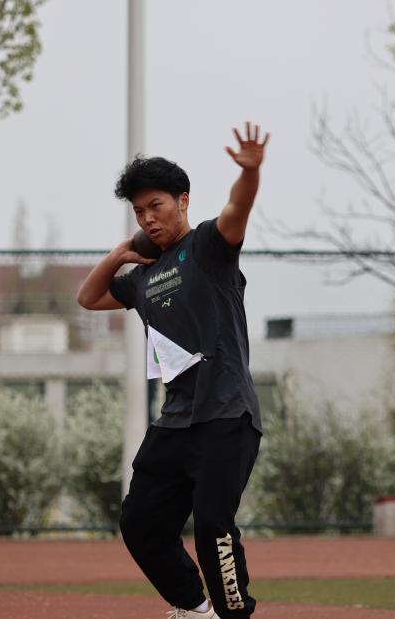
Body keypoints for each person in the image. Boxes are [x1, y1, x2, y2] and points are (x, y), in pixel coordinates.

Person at [77, 123, 270, 618]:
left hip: (226, 415)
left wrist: (250, 173)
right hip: (176, 421)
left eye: (156, 205)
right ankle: (194, 608)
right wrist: (118, 255)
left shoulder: (207, 247)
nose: (148, 217)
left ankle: (233, 614)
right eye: (139, 211)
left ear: (183, 200)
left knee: (212, 528)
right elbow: (88, 297)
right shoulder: (141, 278)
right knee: (140, 524)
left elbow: (237, 209)